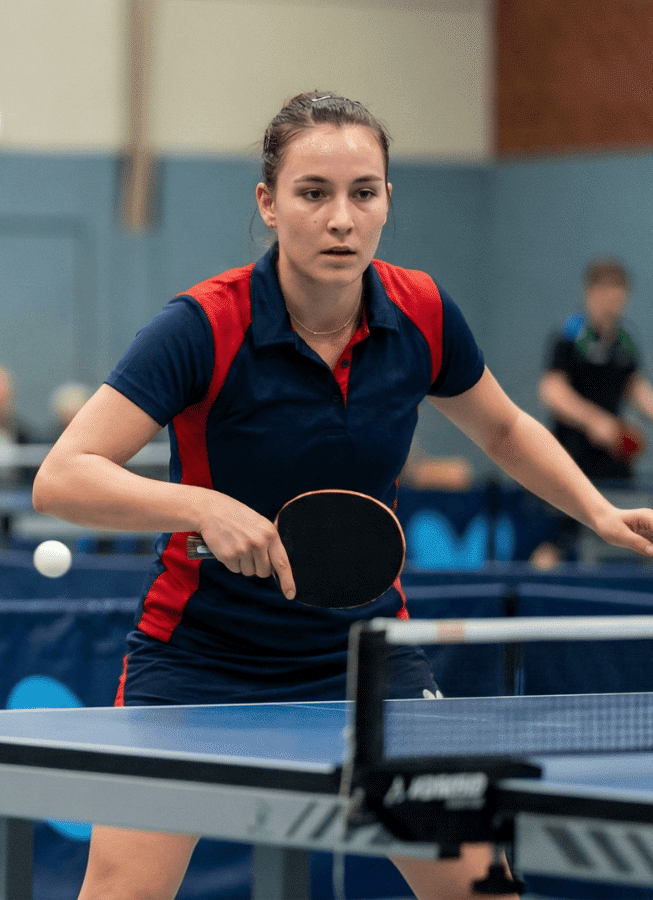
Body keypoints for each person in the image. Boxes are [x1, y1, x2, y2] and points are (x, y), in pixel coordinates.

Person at [32, 91, 653, 900]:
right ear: (269, 203)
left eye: (363, 192)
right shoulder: (202, 326)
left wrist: (598, 511)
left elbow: (501, 429)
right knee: (122, 892)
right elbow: (63, 474)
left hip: (363, 656)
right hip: (197, 655)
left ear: (389, 199)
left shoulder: (422, 312)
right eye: (313, 192)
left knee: (481, 889)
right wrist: (200, 506)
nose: (340, 219)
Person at [532, 257, 653, 565]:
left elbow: (636, 388)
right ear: (590, 293)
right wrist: (594, 420)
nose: (612, 304)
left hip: (613, 462)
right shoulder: (570, 335)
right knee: (557, 545)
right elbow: (552, 390)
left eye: (618, 296)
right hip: (572, 459)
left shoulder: (626, 341)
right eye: (605, 295)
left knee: (627, 539)